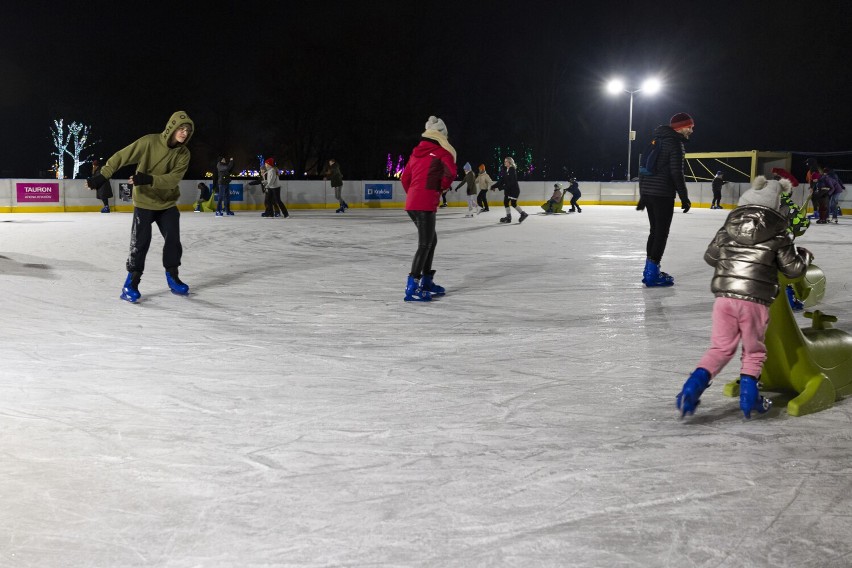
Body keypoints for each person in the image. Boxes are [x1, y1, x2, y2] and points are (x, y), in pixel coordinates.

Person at [676, 176, 812, 419]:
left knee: (719, 348)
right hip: (755, 301)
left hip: (724, 299)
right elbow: (794, 270)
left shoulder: (728, 227)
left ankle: (692, 386)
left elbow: (710, 257)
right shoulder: (779, 231)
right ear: (777, 203)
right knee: (753, 351)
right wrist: (806, 256)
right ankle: (750, 399)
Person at [86, 111, 194, 302]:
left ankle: (173, 277)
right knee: (140, 243)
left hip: (167, 203)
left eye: (187, 130)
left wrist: (148, 179)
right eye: (181, 128)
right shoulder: (149, 142)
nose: (184, 133)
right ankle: (131, 284)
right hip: (144, 202)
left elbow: (173, 179)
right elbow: (122, 156)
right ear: (172, 127)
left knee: (173, 241)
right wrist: (103, 176)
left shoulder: (183, 154)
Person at [400, 115, 457, 302]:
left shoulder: (415, 153)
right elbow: (451, 173)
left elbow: (404, 178)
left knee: (431, 240)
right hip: (425, 203)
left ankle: (426, 281)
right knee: (425, 244)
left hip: (412, 204)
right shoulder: (443, 153)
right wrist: (439, 188)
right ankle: (412, 286)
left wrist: (414, 195)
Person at [637, 112, 694, 287]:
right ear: (681, 127)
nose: (692, 130)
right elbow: (677, 173)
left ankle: (650, 270)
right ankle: (652, 274)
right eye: (690, 127)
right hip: (663, 194)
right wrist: (684, 197)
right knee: (661, 233)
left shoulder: (656, 140)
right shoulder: (675, 144)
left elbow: (642, 169)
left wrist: (643, 195)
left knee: (655, 231)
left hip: (649, 193)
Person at [491, 156, 528, 224]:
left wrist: (500, 188)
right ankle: (509, 217)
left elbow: (511, 182)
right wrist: (493, 186)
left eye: (506, 161)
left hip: (513, 190)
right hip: (509, 190)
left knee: (513, 203)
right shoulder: (506, 170)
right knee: (506, 202)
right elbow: (501, 181)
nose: (504, 162)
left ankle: (522, 214)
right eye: (504, 161)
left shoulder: (512, 169)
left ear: (510, 162)